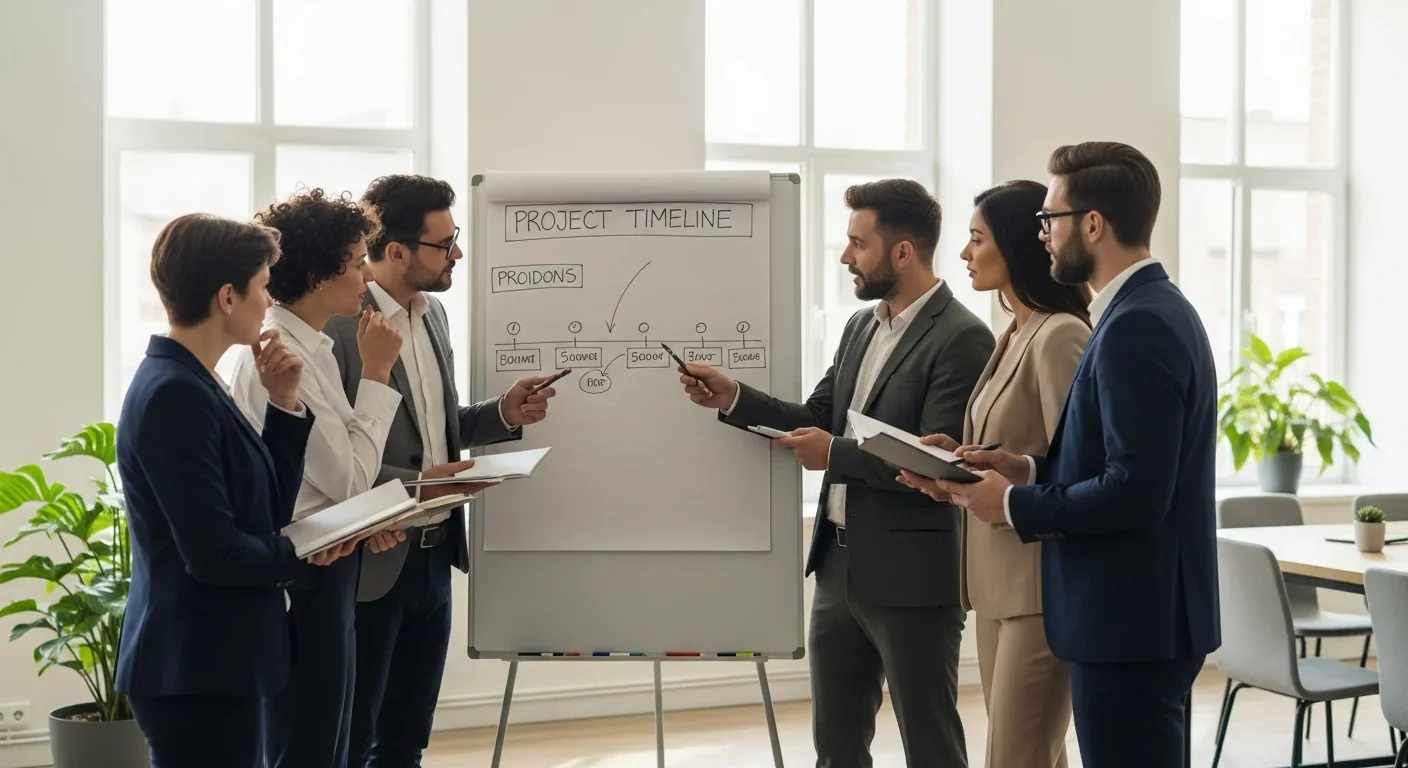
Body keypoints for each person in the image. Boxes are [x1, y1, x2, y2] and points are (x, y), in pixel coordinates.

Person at [678, 179, 993, 767]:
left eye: (857, 243)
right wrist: (733, 398)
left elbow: (939, 465)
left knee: (930, 744)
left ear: (902, 252)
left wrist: (837, 454)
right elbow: (816, 418)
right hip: (837, 568)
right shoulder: (861, 327)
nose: (846, 257)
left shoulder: (963, 338)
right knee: (836, 747)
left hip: (914, 578)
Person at [926, 142, 1221, 768]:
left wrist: (1011, 503)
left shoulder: (1137, 324)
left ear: (1092, 224)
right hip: (1132, 616)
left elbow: (1136, 491)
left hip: (1130, 619)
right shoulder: (1141, 313)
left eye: (1049, 220)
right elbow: (1112, 463)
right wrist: (1023, 467)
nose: (1043, 236)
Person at [324, 174, 559, 767]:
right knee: (353, 738)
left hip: (434, 553)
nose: (457, 254)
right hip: (370, 556)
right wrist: (414, 487)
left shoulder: (433, 317)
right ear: (395, 250)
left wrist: (502, 413)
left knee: (407, 738)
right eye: (444, 243)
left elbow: (434, 425)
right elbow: (326, 459)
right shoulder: (337, 327)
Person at [224, 189, 459, 767]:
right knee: (319, 747)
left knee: (343, 741)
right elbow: (350, 479)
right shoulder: (285, 355)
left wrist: (370, 518)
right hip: (308, 576)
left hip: (338, 556)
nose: (363, 273)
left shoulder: (318, 346)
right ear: (319, 272)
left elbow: (334, 482)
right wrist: (378, 371)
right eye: (356, 262)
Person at [115, 213, 357, 768]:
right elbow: (214, 552)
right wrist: (306, 552)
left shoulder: (199, 381)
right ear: (228, 297)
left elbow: (263, 509)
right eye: (263, 287)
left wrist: (285, 404)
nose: (268, 301)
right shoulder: (174, 394)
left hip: (215, 659)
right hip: (195, 665)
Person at [895, 180, 1091, 768]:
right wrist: (957, 463)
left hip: (1038, 587)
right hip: (994, 583)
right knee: (1028, 755)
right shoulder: (1014, 331)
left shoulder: (1060, 334)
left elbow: (1077, 471)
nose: (964, 253)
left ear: (1013, 245)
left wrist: (1007, 482)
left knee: (1015, 757)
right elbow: (1022, 450)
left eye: (977, 239)